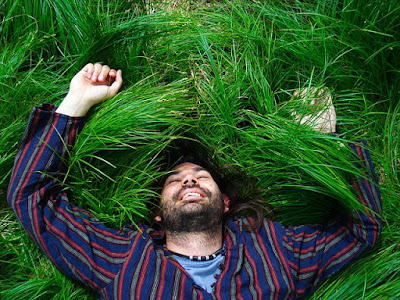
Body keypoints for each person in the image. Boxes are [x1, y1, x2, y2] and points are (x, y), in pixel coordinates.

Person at [7, 63, 382, 299]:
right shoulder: (121, 256)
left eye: (202, 176)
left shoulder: (278, 251)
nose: (189, 179)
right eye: (175, 180)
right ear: (157, 213)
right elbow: (32, 198)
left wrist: (325, 148)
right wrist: (77, 101)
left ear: (225, 203)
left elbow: (361, 233)